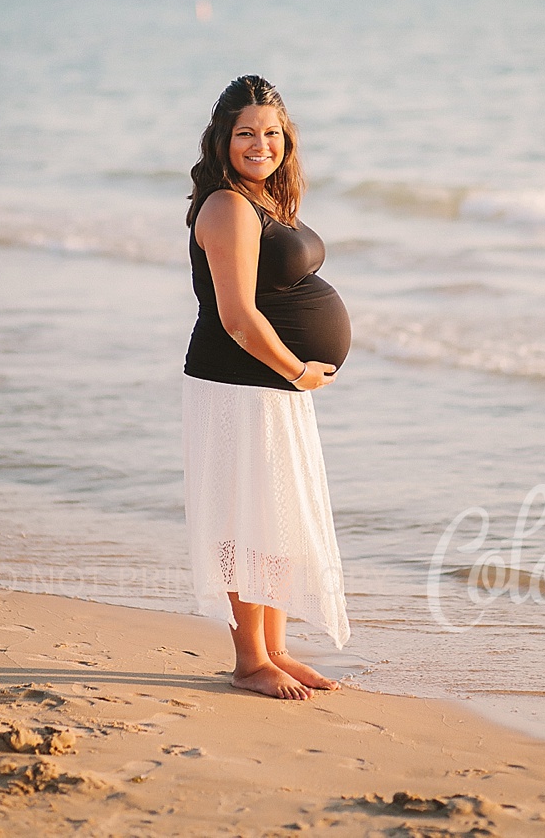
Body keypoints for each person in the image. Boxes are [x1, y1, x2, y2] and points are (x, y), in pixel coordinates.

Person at [182, 76, 352, 699]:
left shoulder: (265, 202)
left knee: (273, 516)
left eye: (272, 133)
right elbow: (236, 317)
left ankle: (275, 650)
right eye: (246, 133)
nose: (261, 144)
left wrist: (294, 376)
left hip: (271, 388)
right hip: (237, 386)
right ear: (223, 138)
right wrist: (299, 370)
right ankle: (249, 660)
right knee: (242, 517)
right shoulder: (227, 206)